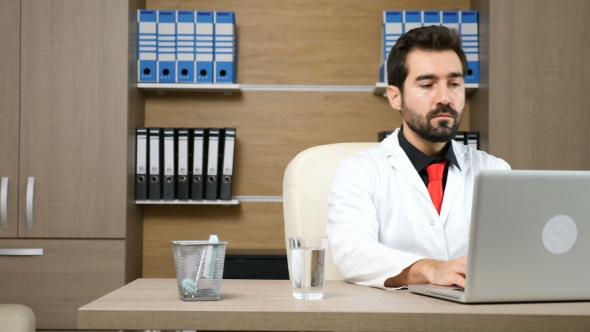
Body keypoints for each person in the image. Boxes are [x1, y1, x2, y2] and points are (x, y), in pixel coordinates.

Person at [325, 25, 510, 290]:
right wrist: (431, 269)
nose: (444, 97)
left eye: (454, 84)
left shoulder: (495, 170)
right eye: (427, 84)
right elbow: (352, 252)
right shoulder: (359, 170)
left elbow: (513, 255)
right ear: (395, 97)